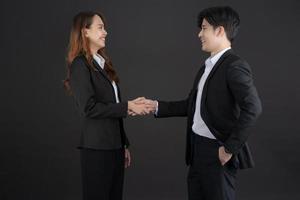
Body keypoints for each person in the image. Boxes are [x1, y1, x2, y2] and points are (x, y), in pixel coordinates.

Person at [137, 6, 262, 200]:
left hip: (217, 151)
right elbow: (193, 106)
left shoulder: (234, 65)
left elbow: (253, 108)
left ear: (219, 30)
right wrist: (156, 106)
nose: (199, 34)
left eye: (204, 28)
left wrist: (229, 149)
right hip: (197, 149)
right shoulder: (207, 66)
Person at [63, 11, 154, 200]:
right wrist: (128, 106)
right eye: (100, 27)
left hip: (114, 147)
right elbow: (89, 108)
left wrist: (123, 143)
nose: (106, 32)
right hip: (97, 149)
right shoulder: (80, 65)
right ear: (85, 32)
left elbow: (112, 108)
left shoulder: (103, 64)